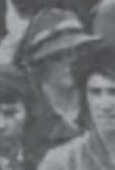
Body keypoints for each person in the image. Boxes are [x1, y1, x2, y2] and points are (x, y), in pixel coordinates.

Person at [12, 9, 97, 160]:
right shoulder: (25, 111)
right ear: (42, 62)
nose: (70, 63)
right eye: (58, 56)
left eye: (76, 53)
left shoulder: (98, 99)